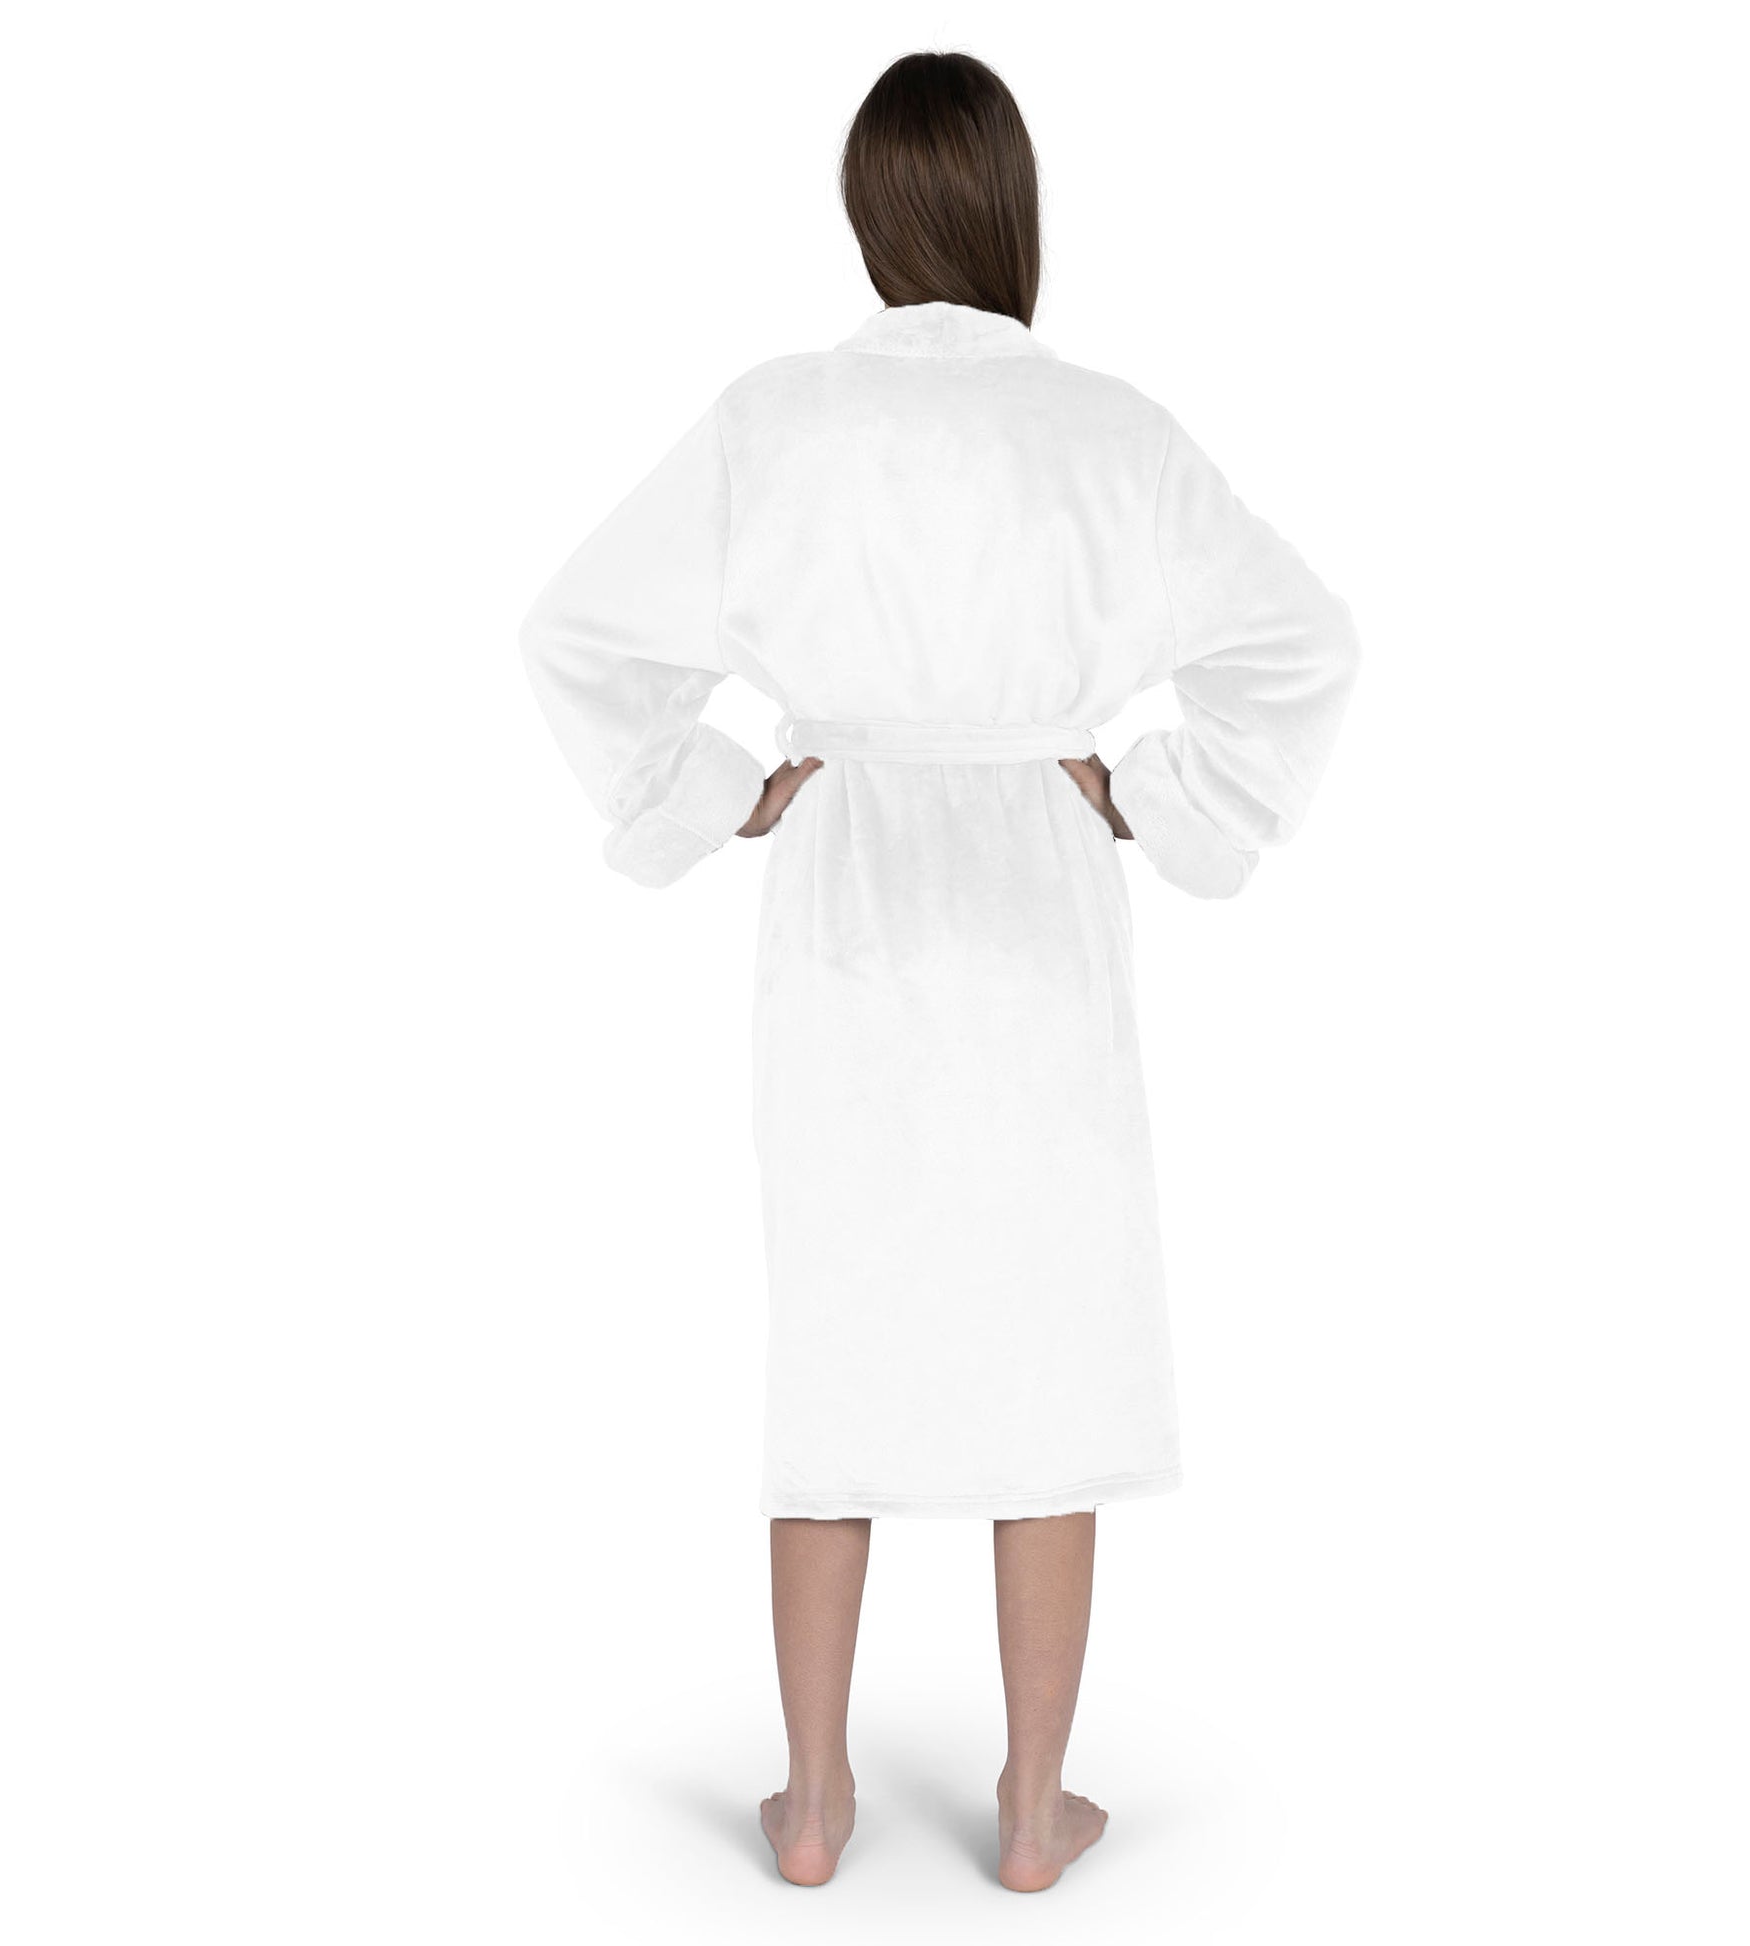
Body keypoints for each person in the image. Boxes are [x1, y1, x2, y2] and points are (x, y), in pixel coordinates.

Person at [518, 50, 1361, 1893]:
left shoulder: (775, 420)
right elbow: (1303, 644)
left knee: (837, 1341)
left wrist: (723, 792)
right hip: (1036, 895)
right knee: (1048, 1345)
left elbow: (575, 630)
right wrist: (1150, 795)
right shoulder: (1111, 433)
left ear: (868, 214)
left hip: (848, 895)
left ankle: (813, 1803)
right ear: (1010, 206)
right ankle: (1035, 1809)